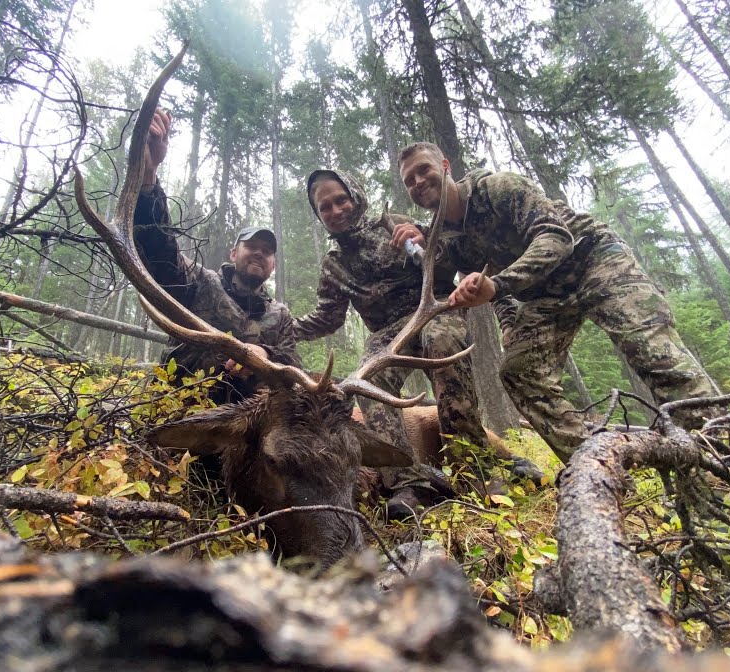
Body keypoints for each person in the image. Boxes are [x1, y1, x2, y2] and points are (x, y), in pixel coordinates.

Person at [392, 142, 719, 461]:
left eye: (424, 170)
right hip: (544, 296)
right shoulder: (445, 237)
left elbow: (556, 236)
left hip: (594, 260)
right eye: (410, 180)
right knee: (519, 370)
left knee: (648, 344)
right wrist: (507, 322)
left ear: (445, 166)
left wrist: (499, 285)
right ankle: (596, 464)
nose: (418, 181)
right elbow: (481, 279)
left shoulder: (497, 188)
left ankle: (719, 453)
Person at [294, 168, 506, 518]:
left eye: (340, 200)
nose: (335, 211)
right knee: (366, 382)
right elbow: (327, 318)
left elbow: (444, 267)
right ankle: (407, 484)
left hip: (433, 311)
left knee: (442, 344)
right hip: (388, 335)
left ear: (356, 196)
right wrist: (285, 327)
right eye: (325, 207)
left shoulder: (395, 225)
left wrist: (424, 241)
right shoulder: (334, 266)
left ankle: (476, 470)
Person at [133, 108, 301, 405]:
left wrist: (265, 354)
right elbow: (159, 250)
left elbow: (293, 365)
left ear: (273, 265)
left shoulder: (281, 316)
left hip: (247, 427)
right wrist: (148, 176)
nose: (260, 252)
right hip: (180, 413)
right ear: (234, 253)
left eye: (268, 251)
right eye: (252, 246)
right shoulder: (198, 282)